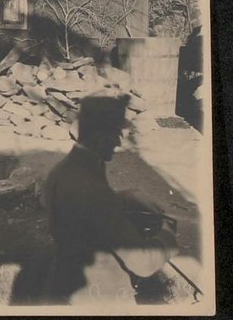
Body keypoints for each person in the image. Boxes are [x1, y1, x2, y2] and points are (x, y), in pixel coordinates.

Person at [42, 91, 178, 307]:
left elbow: (85, 212)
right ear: (98, 135)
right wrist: (167, 235)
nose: (118, 141)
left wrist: (127, 196)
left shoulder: (63, 170)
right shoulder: (92, 188)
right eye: (114, 133)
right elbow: (143, 263)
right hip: (99, 297)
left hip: (64, 284)